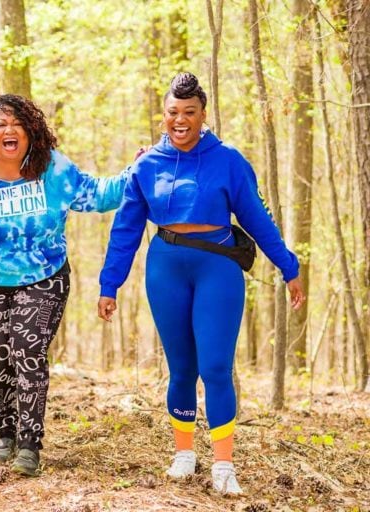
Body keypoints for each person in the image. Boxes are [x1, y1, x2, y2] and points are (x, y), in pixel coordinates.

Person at [98, 72, 305, 495]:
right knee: (181, 368)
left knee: (214, 367)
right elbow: (126, 229)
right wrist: (109, 283)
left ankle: (224, 464)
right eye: (173, 112)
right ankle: (184, 454)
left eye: (189, 113)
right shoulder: (147, 164)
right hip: (166, 267)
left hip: (218, 268)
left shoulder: (228, 159)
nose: (180, 120)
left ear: (203, 115)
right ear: (163, 116)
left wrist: (289, 267)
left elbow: (257, 218)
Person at [0, 94, 128, 477]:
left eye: (17, 124)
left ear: (30, 131)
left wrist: (137, 170)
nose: (9, 131)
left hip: (44, 278)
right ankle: (4, 434)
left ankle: (28, 445)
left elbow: (99, 195)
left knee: (28, 353)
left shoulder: (52, 169)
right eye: (1, 125)